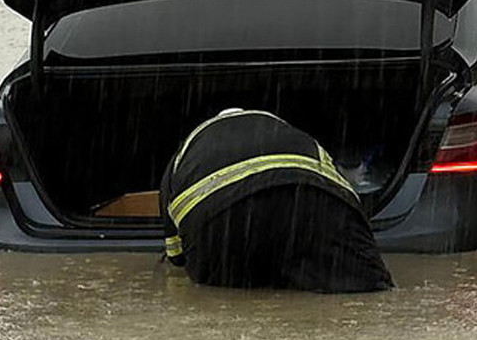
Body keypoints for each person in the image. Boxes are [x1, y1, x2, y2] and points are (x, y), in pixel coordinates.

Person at [160, 108, 393, 292]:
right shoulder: (299, 138)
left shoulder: (182, 156)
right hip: (312, 208)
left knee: (231, 298)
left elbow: (176, 256)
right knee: (368, 289)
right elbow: (345, 196)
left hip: (225, 227)